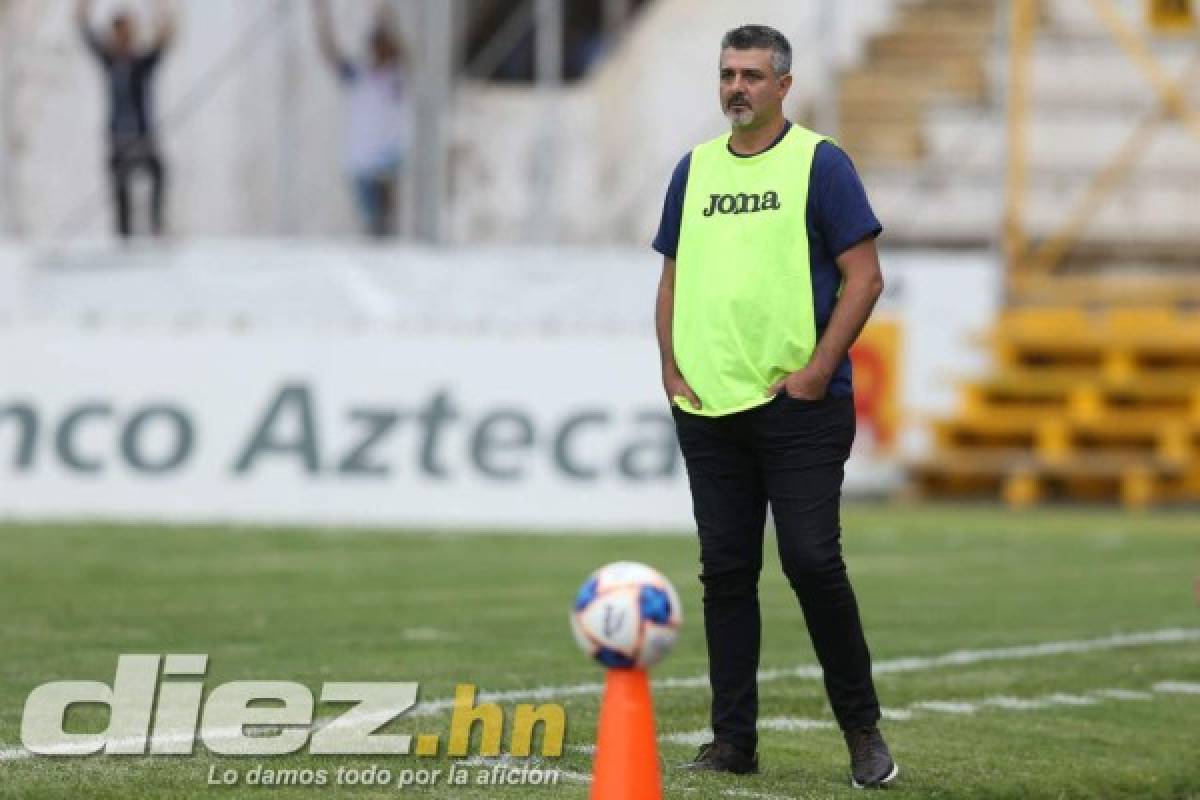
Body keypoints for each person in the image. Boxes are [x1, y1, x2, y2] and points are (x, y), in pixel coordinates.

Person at [653, 25, 898, 789]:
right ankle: (733, 744)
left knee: (811, 561)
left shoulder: (820, 165)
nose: (737, 87)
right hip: (708, 409)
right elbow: (671, 281)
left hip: (798, 407)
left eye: (753, 75)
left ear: (784, 86)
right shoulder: (691, 172)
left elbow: (865, 277)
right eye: (728, 73)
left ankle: (863, 733)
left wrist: (818, 369)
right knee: (725, 574)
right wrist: (670, 369)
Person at [76, 0, 175, 238]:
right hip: (118, 138)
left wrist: (160, 8)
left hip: (143, 136)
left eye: (128, 32)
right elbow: (84, 30)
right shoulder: (110, 62)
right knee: (121, 191)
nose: (123, 38)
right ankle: (124, 236)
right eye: (119, 33)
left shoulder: (142, 63)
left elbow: (165, 38)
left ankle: (156, 226)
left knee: (158, 174)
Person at [313, 0, 410, 238]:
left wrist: (382, 11)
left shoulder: (396, 75)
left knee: (387, 216)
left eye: (384, 45)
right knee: (373, 222)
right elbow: (330, 52)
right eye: (377, 45)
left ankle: (387, 239)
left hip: (388, 156)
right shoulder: (359, 76)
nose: (381, 50)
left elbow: (400, 46)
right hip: (361, 161)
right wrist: (321, 14)